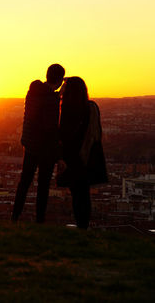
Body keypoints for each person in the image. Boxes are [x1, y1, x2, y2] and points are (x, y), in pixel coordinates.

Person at [12, 64, 65, 223]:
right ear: (60, 80)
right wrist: (58, 154)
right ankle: (39, 220)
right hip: (45, 149)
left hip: (30, 144)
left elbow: (42, 103)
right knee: (43, 186)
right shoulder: (51, 100)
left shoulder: (33, 92)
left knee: (25, 182)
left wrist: (56, 96)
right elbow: (50, 128)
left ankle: (15, 216)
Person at [57, 77, 107, 229]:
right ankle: (83, 226)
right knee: (84, 194)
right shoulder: (92, 107)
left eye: (65, 86)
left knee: (77, 195)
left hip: (73, 157)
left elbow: (63, 134)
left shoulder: (68, 108)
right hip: (88, 157)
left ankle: (81, 226)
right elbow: (97, 134)